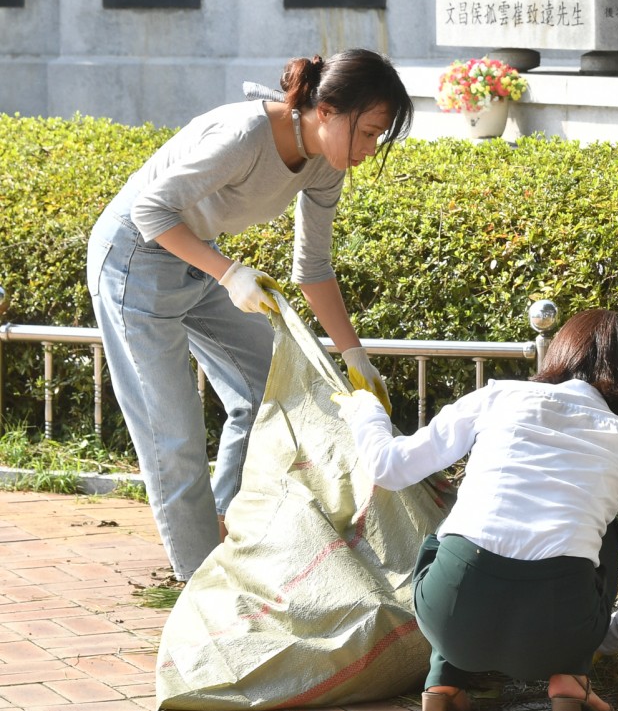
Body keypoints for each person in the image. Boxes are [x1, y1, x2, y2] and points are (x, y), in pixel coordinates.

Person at [87, 49, 412, 584]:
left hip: (198, 256)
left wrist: (355, 357)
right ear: (327, 111)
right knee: (173, 436)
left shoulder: (323, 164)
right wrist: (229, 274)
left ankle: (221, 526)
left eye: (378, 138)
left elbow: (313, 269)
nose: (370, 150)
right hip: (135, 259)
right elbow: (149, 209)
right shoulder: (244, 135)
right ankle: (200, 585)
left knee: (267, 388)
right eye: (369, 132)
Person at [336, 309, 618, 711]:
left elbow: (389, 467)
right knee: (607, 531)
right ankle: (571, 678)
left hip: (449, 618)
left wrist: (366, 410)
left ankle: (443, 678)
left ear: (560, 352)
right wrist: (600, 639)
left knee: (452, 531)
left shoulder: (498, 398)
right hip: (560, 635)